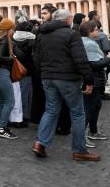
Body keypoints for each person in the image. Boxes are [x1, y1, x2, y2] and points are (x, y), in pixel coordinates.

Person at [32, 9, 98, 161]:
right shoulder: (71, 34)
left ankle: (40, 143)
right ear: (67, 20)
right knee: (77, 113)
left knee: (51, 110)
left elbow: (36, 57)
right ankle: (79, 150)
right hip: (67, 79)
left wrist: (42, 73)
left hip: (47, 77)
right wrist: (88, 80)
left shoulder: (41, 33)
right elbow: (80, 59)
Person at [80, 20, 110, 146]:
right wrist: (108, 59)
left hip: (90, 78)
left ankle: (93, 131)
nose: (98, 31)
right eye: (96, 29)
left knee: (95, 105)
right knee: (89, 107)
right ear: (89, 32)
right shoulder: (90, 44)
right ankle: (83, 136)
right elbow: (93, 64)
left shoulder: (82, 42)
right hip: (93, 79)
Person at [0, 18, 18, 139]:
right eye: (13, 29)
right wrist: (12, 58)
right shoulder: (4, 40)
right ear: (8, 29)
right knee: (10, 101)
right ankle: (1, 127)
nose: (14, 31)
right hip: (2, 72)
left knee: (1, 101)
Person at [12, 21, 35, 127]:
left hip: (15, 69)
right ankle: (24, 117)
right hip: (27, 71)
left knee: (16, 94)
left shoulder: (13, 38)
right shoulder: (32, 40)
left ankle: (16, 116)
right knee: (26, 95)